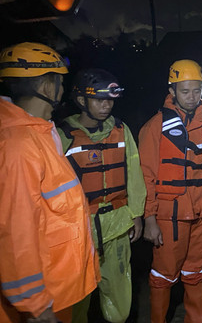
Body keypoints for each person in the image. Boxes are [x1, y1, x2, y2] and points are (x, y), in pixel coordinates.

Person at [0, 42, 99, 323]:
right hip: (38, 302)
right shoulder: (18, 145)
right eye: (59, 81)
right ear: (46, 86)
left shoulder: (40, 132)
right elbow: (14, 229)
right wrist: (35, 302)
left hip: (55, 287)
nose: (62, 89)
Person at [139, 59, 202, 323]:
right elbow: (145, 175)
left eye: (197, 90)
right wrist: (149, 218)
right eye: (185, 91)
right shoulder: (154, 127)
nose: (192, 97)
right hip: (169, 216)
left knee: (196, 271)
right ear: (171, 91)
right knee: (163, 274)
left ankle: (196, 318)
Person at [57, 69, 146, 323]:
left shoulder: (120, 130)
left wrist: (136, 214)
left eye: (110, 99)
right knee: (76, 301)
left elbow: (134, 173)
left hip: (117, 224)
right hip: (79, 230)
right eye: (99, 99)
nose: (106, 105)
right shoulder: (63, 135)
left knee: (120, 299)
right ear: (82, 100)